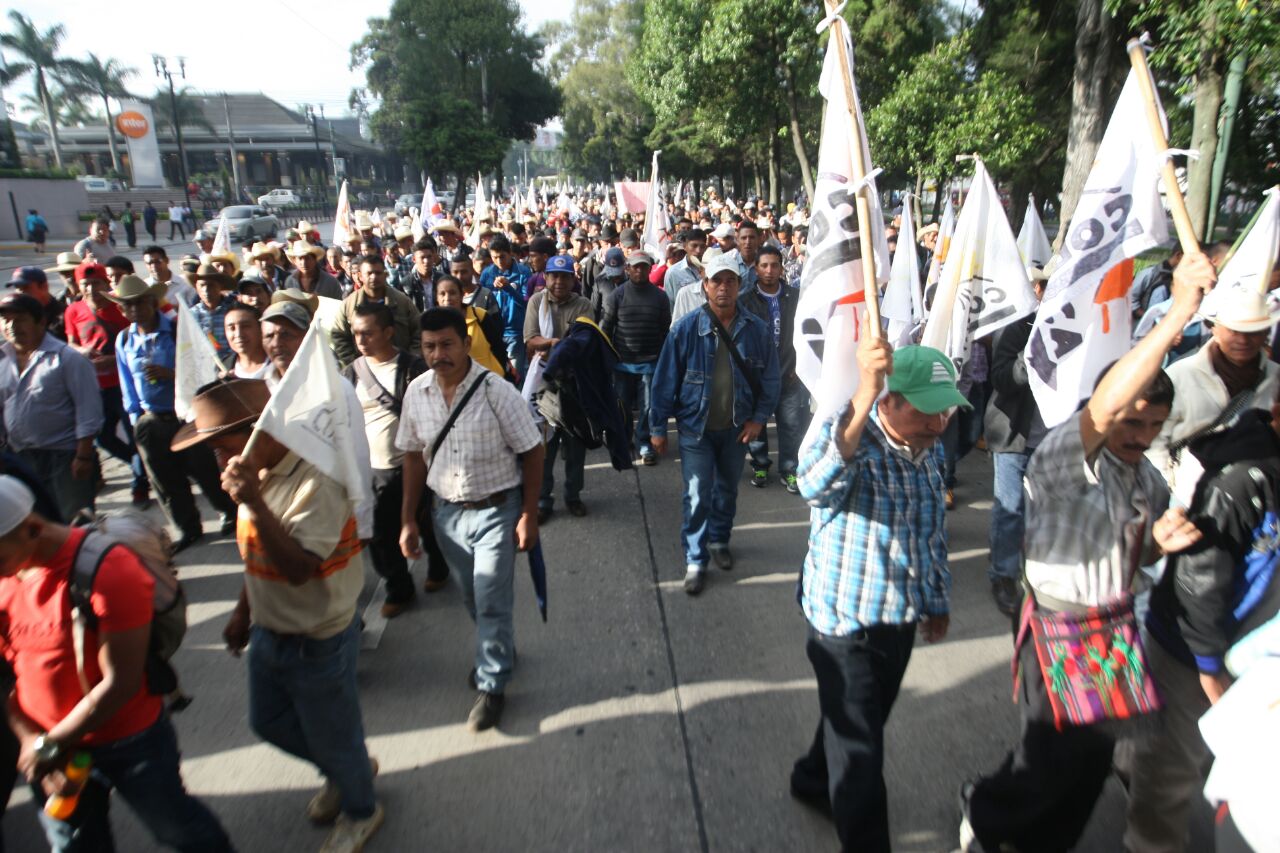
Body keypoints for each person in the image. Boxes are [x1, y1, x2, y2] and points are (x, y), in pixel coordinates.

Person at [960, 251, 1217, 853]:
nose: (1139, 435)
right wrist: (1179, 311)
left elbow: (1132, 551)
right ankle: (986, 817)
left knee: (1089, 764)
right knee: (1050, 760)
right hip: (1058, 631)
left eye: (1152, 425)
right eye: (1129, 420)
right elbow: (1104, 411)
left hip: (1116, 631)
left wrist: (1156, 542)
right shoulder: (1062, 457)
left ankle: (1033, 834)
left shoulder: (1147, 480)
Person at [180, 380, 384, 851]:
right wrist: (240, 611)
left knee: (334, 732)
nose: (216, 460)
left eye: (221, 446)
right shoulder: (256, 472)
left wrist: (252, 501)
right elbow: (258, 555)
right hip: (270, 628)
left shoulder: (317, 478)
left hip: (319, 637)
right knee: (267, 721)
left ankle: (361, 807)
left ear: (259, 431)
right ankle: (346, 768)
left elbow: (296, 568)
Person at [788, 328, 963, 853]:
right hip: (844, 624)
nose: (938, 423)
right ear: (887, 400)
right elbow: (815, 484)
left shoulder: (926, 450)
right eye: (926, 410)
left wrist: (935, 600)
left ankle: (813, 778)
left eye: (946, 411)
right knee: (863, 750)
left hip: (899, 617)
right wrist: (862, 394)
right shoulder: (852, 434)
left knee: (857, 724)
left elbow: (930, 530)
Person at [0, 476, 233, 852]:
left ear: (31, 528)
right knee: (74, 842)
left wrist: (50, 743)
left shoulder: (107, 570)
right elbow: (9, 676)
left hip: (128, 741)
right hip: (51, 749)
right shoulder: (7, 577)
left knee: (179, 829)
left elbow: (121, 682)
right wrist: (30, 740)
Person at [1123, 385, 1280, 852]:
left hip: (1248, 653)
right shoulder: (1242, 479)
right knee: (1171, 770)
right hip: (1194, 651)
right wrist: (1210, 670)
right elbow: (1199, 584)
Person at [397, 308, 545, 731]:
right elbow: (411, 455)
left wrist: (528, 515)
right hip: (447, 517)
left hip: (497, 511)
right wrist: (408, 520)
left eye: (446, 344)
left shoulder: (497, 391)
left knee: (490, 599)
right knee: (472, 598)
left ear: (464, 343)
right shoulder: (416, 393)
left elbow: (533, 451)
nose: (437, 354)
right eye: (429, 347)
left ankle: (493, 682)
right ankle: (498, 650)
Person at [649, 253, 780, 595]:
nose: (723, 288)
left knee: (726, 491)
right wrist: (658, 428)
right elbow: (664, 380)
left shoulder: (757, 329)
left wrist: (758, 420)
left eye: (730, 281)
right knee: (696, 494)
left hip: (737, 429)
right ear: (704, 285)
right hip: (696, 430)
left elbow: (770, 379)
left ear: (739, 285)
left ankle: (720, 540)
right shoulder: (686, 328)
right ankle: (695, 559)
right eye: (716, 281)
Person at [111, 275, 238, 553]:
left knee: (205, 471)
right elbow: (127, 386)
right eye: (127, 305)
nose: (134, 310)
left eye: (139, 303)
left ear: (152, 302)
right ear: (122, 309)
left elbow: (204, 369)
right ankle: (188, 528)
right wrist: (136, 421)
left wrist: (173, 375)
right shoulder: (124, 340)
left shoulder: (178, 329)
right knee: (165, 481)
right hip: (151, 420)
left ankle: (228, 510)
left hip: (186, 416)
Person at [342, 303, 429, 617]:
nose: (361, 340)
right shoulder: (351, 372)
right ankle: (399, 586)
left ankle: (440, 568)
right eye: (356, 333)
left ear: (389, 332)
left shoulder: (413, 368)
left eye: (368, 332)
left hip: (414, 464)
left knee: (425, 523)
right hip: (372, 469)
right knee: (379, 531)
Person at [0, 293, 103, 521]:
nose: (11, 326)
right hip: (20, 458)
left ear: (41, 322)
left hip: (65, 456)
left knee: (75, 524)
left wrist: (84, 456)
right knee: (39, 526)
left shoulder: (67, 359)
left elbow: (89, 412)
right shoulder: (2, 360)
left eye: (20, 319)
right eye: (6, 320)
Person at [983, 269, 1049, 616]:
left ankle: (1032, 569)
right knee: (1010, 509)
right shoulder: (1018, 328)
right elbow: (1002, 379)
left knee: (1041, 510)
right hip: (1014, 435)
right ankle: (1004, 575)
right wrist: (1034, 354)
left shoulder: (1081, 330)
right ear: (1038, 290)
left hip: (1054, 440)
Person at [64, 263, 150, 509]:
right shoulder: (73, 310)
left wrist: (114, 359)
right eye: (85, 285)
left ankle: (140, 486)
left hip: (123, 385)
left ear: (106, 285)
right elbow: (70, 341)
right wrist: (82, 352)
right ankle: (143, 466)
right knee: (103, 438)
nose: (90, 289)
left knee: (135, 436)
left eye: (96, 284)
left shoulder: (120, 307)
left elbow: (135, 341)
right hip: (92, 387)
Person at [525, 257, 595, 521]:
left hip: (575, 385)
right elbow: (531, 340)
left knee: (576, 446)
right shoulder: (536, 302)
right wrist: (557, 342)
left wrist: (552, 347)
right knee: (544, 449)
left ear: (572, 279)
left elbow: (583, 343)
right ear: (546, 277)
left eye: (564, 276)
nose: (558, 282)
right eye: (553, 276)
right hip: (543, 385)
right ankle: (543, 499)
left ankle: (573, 495)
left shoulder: (583, 304)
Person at [739, 245, 807, 493]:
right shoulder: (744, 300)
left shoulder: (796, 296)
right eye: (764, 265)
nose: (770, 270)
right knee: (757, 424)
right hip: (757, 378)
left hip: (790, 375)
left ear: (781, 268)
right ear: (755, 269)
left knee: (791, 426)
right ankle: (760, 464)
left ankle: (789, 470)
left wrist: (799, 366)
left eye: (775, 265)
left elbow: (806, 334)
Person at [601, 250, 671, 465]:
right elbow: (606, 328)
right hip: (622, 364)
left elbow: (665, 329)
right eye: (635, 266)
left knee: (648, 407)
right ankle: (624, 441)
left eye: (643, 266)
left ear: (650, 268)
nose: (639, 270)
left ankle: (645, 443)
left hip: (650, 364)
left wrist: (662, 360)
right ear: (627, 269)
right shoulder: (617, 295)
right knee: (622, 406)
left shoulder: (660, 296)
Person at [331, 254, 422, 367]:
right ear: (360, 276)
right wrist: (354, 364)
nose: (374, 277)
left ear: (385, 275)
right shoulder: (349, 305)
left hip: (400, 367)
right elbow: (338, 336)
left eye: (378, 273)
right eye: (369, 273)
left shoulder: (402, 302)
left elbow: (419, 330)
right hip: (364, 371)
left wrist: (412, 359)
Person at [479, 235, 531, 380]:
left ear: (510, 253)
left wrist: (509, 288)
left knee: (515, 376)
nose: (499, 261)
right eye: (495, 257)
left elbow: (527, 303)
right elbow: (481, 303)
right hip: (494, 332)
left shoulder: (523, 272)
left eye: (502, 256)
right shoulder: (487, 274)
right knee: (495, 376)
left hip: (515, 332)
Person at [435, 276, 508, 377]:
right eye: (442, 294)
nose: (447, 298)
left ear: (461, 295)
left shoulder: (480, 316)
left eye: (452, 293)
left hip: (489, 383)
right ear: (437, 298)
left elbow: (499, 348)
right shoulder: (434, 326)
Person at [7, 266, 67, 341]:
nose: (20, 292)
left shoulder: (64, 315)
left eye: (25, 287)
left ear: (44, 287)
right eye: (17, 287)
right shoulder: (18, 317)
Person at [190, 264, 239, 354]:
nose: (206, 290)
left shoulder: (233, 310)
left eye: (211, 285)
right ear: (196, 288)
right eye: (202, 285)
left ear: (220, 286)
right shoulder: (191, 315)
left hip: (231, 363)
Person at [223, 303, 270, 380]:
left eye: (245, 326)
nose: (238, 334)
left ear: (261, 328)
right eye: (232, 328)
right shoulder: (224, 368)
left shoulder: (280, 363)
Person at [663, 229, 707, 307]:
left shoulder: (711, 269)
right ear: (685, 246)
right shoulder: (673, 273)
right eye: (694, 246)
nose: (698, 250)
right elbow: (670, 304)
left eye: (702, 246)